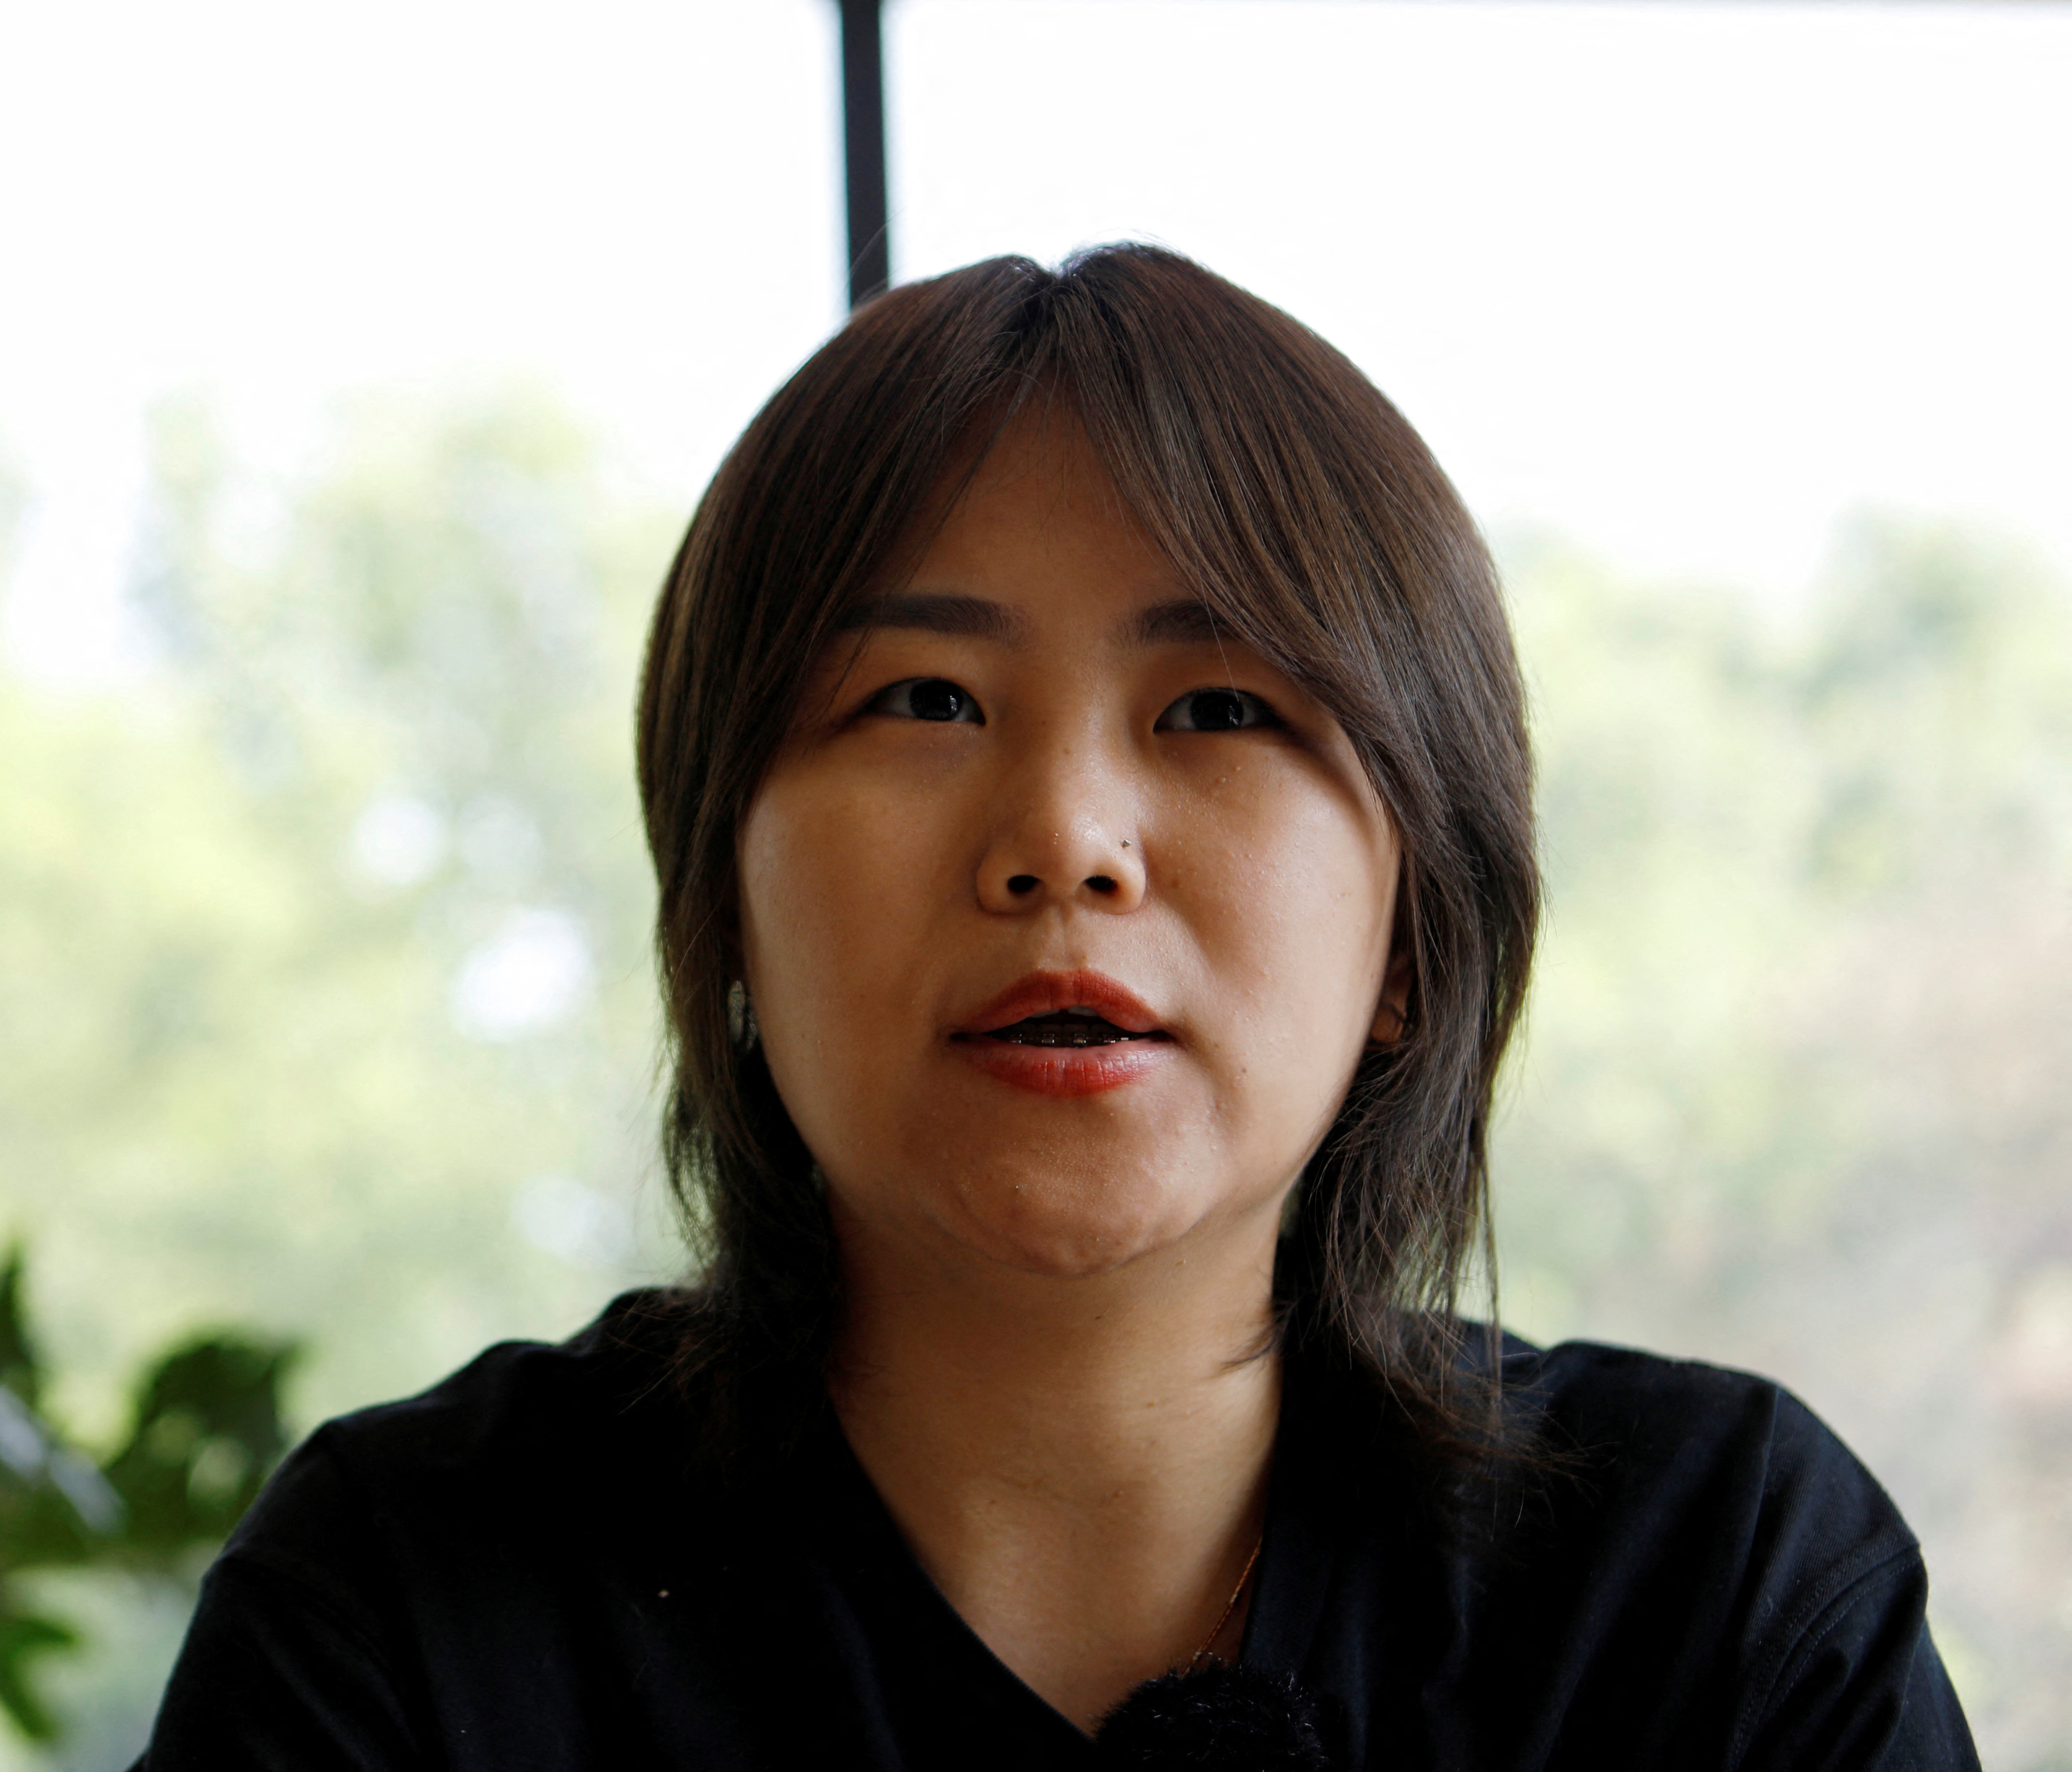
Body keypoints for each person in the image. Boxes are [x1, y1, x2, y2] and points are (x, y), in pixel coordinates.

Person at [137, 246, 1976, 1769]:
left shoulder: (1712, 1589)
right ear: (722, 903)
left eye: (1218, 712)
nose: (1065, 841)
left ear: (1414, 930)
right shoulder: (405, 1613)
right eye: (923, 701)